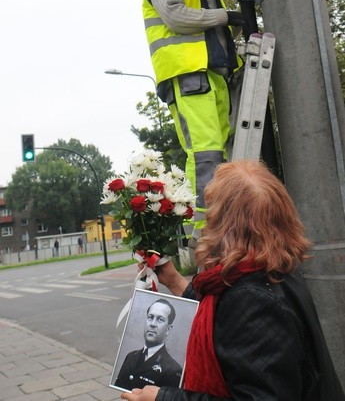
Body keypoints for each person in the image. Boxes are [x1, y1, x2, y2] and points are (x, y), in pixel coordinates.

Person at [121, 160, 345, 401]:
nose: (206, 224)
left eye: (211, 214)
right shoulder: (266, 273)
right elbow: (222, 313)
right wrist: (174, 280)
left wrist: (163, 398)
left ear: (225, 225)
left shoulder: (254, 301)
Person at [142, 0, 247, 230]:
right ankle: (207, 226)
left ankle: (219, 217)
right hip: (189, 73)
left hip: (216, 73)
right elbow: (176, 18)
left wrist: (231, 22)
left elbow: (213, 28)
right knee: (205, 150)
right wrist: (225, 16)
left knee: (219, 148)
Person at [115, 298, 182, 391]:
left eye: (160, 319)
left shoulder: (173, 370)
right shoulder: (130, 356)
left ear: (168, 329)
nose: (153, 324)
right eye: (150, 317)